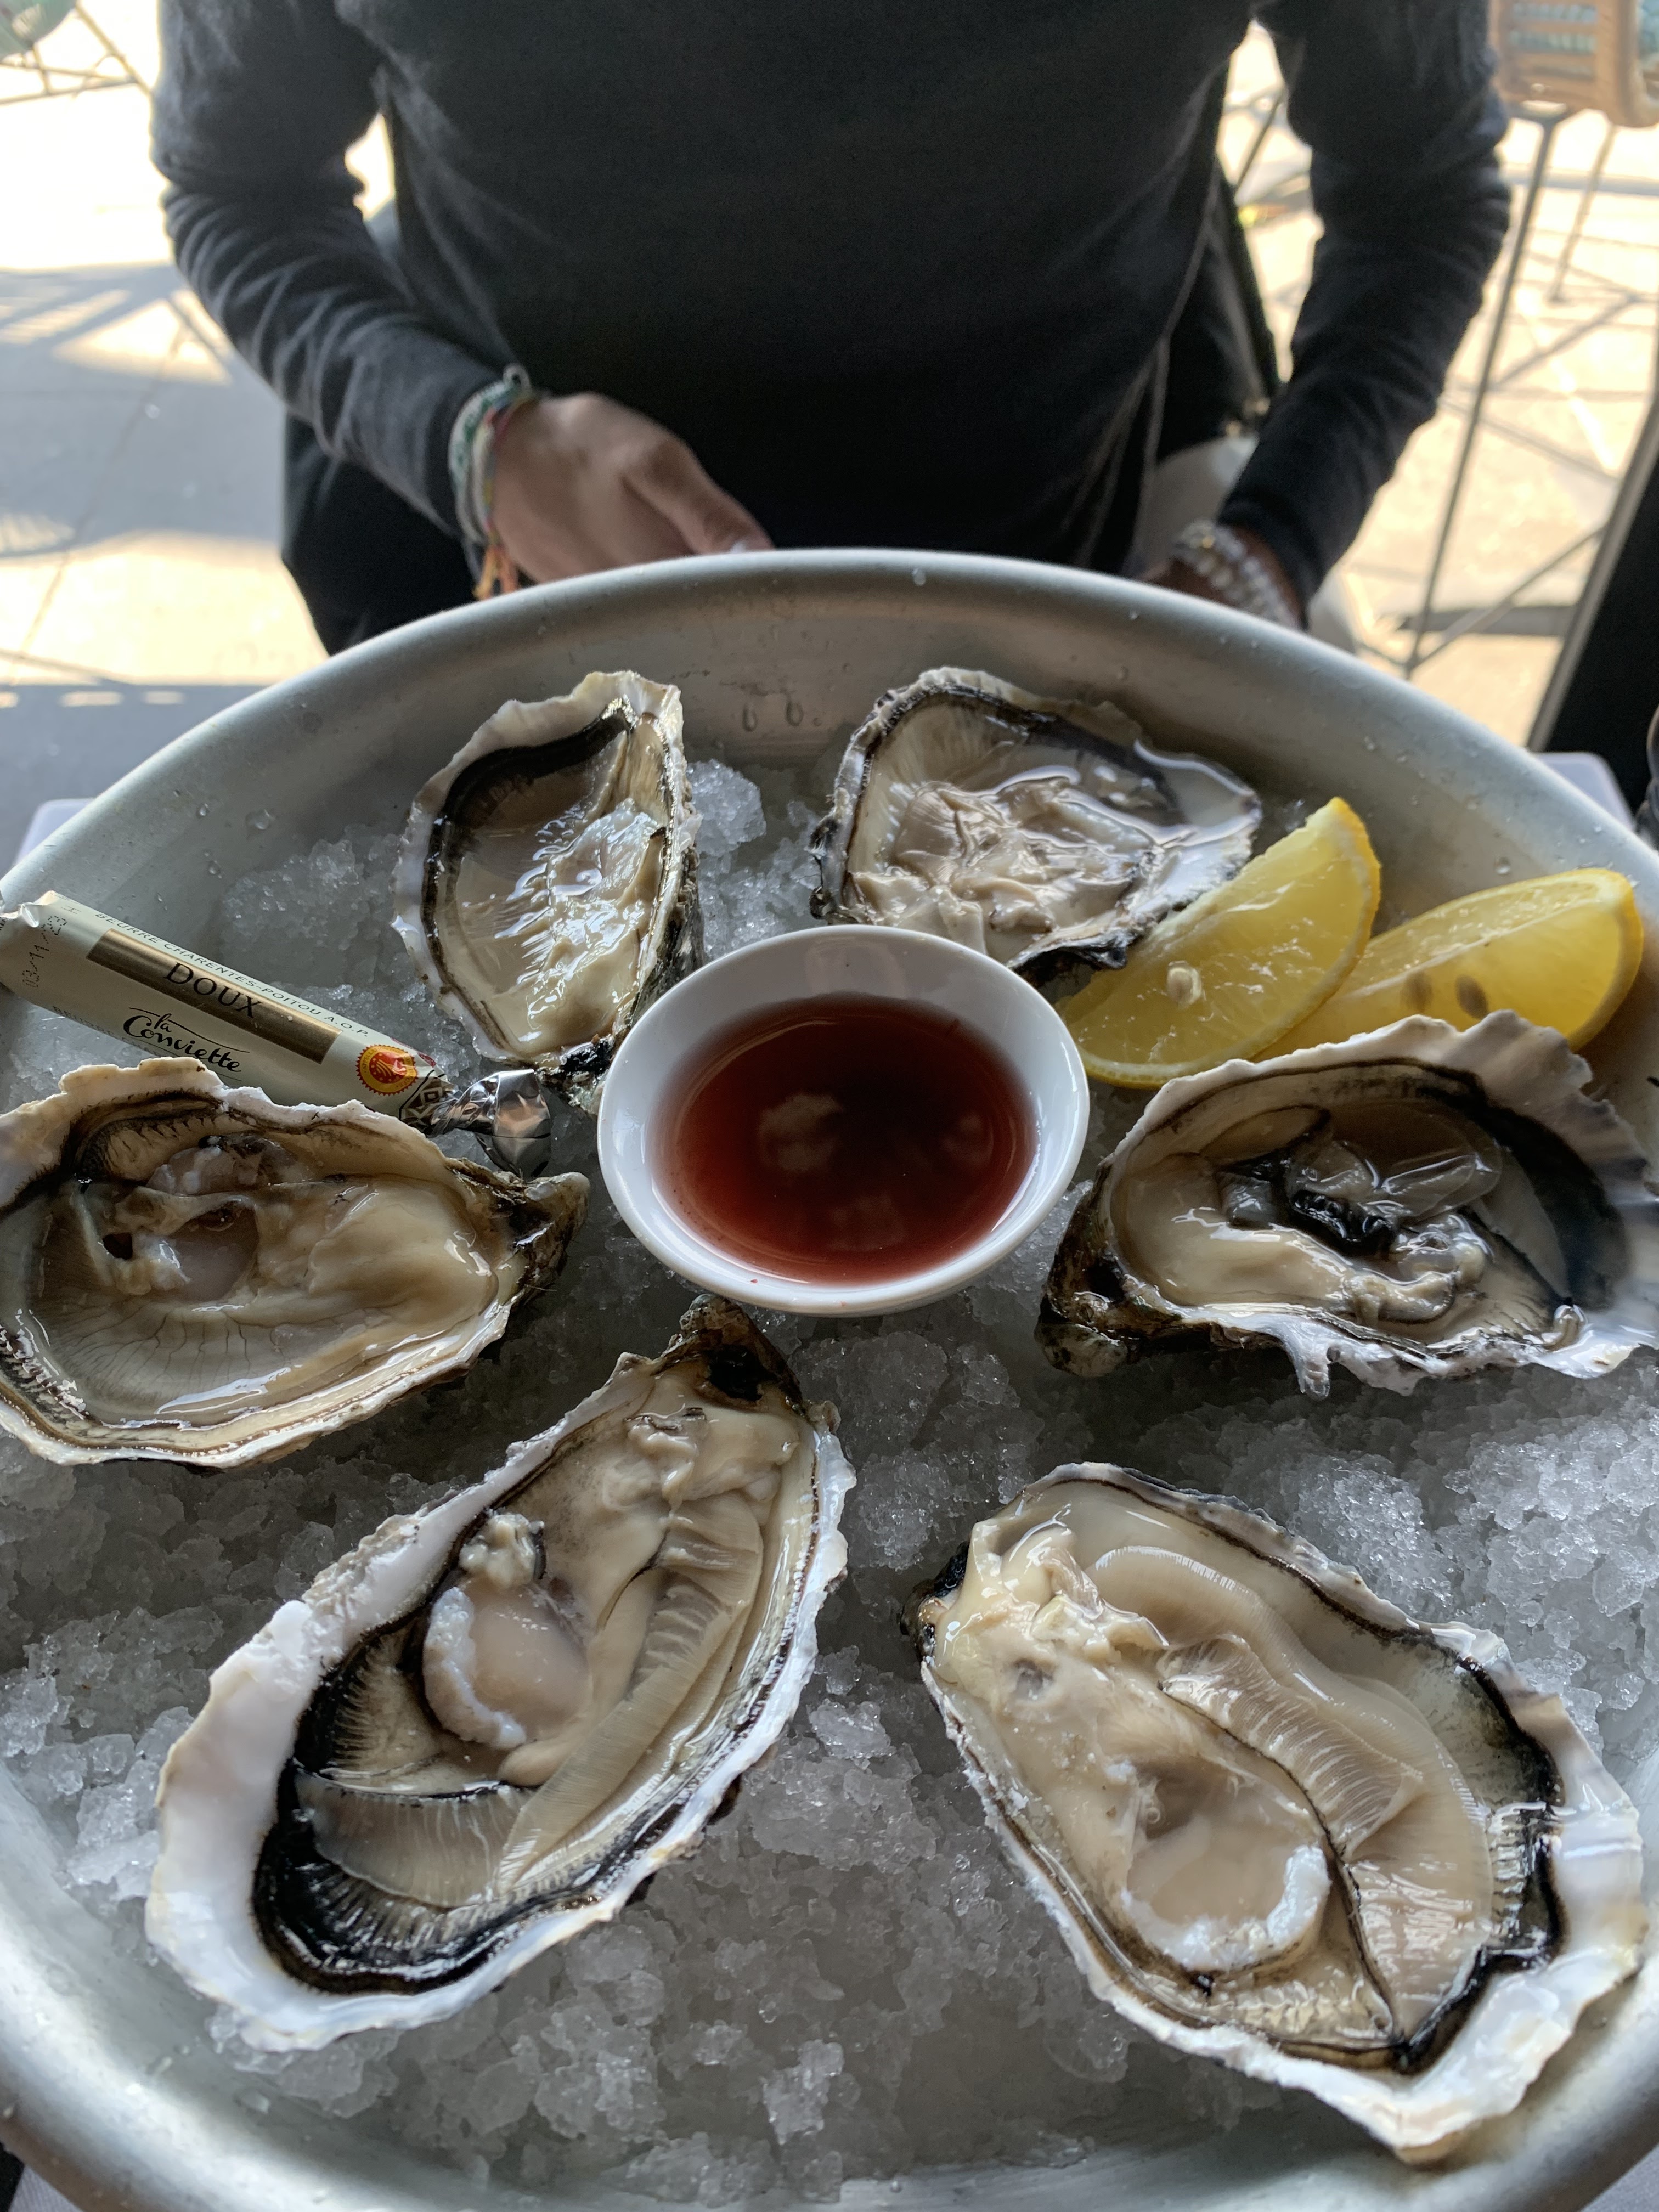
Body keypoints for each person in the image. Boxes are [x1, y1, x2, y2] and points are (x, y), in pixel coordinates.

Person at [151, 3, 1508, 654]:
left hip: (1025, 585)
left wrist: (1269, 547)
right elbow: (237, 189)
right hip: (512, 590)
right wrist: (474, 445)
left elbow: (1425, 195)